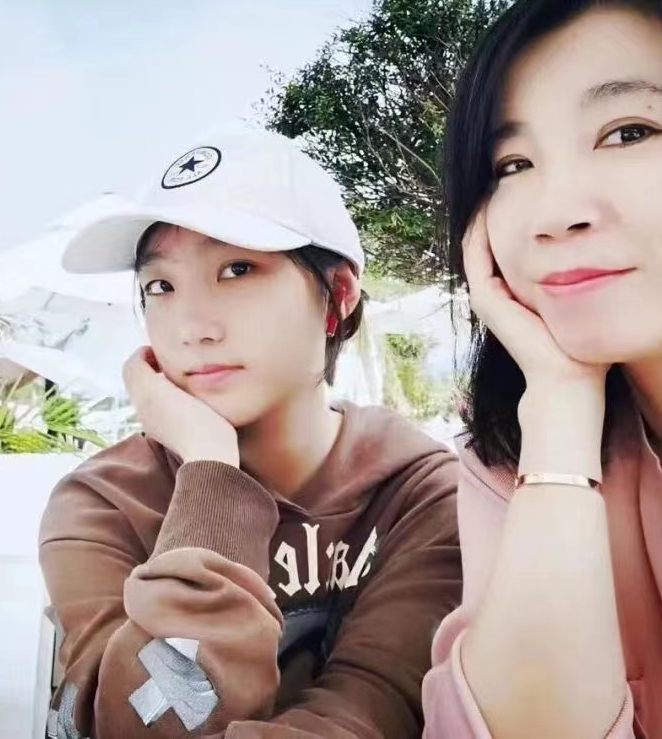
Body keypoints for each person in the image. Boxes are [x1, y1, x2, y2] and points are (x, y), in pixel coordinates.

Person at [421, 0, 662, 739]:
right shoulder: (515, 461)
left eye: (629, 132)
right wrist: (559, 410)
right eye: (511, 164)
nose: (555, 212)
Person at [40, 130, 461, 737]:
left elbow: (369, 716)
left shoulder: (420, 496)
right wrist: (211, 471)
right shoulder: (102, 503)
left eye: (237, 270)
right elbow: (144, 727)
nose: (192, 327)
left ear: (337, 298)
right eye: (161, 286)